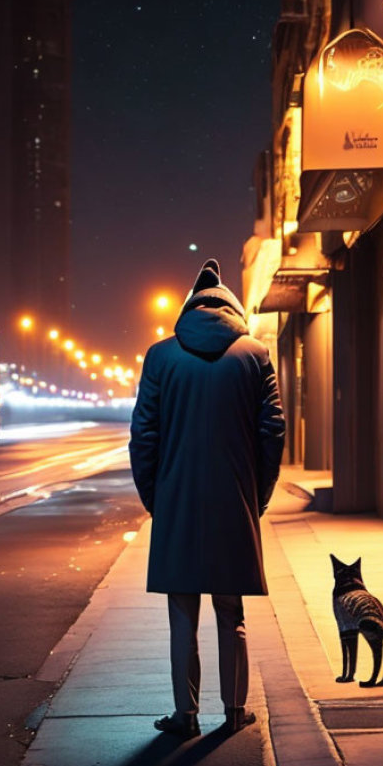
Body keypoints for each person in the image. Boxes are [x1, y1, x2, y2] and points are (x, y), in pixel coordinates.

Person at [129, 259, 286, 739]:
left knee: (182, 613)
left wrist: (157, 498)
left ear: (188, 309)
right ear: (233, 309)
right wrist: (255, 496)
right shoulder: (255, 356)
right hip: (232, 498)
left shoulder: (159, 357)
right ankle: (235, 711)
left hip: (176, 499)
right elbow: (272, 433)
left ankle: (186, 715)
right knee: (230, 608)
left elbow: (143, 437)